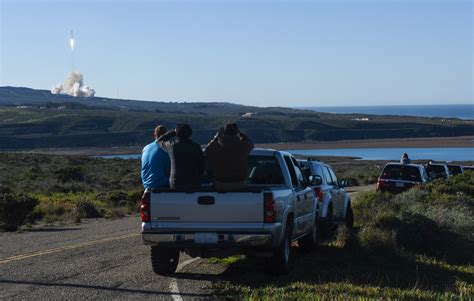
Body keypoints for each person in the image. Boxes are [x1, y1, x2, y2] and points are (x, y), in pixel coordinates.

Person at [205, 123, 254, 190]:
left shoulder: (216, 147)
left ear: (224, 133)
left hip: (220, 184)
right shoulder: (243, 146)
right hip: (240, 184)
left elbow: (207, 150)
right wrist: (241, 134)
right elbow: (251, 144)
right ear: (236, 132)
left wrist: (216, 137)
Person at [157, 123, 205, 189]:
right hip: (193, 183)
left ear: (177, 133)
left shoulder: (170, 145)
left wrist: (173, 132)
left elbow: (159, 140)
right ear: (190, 133)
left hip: (175, 183)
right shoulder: (196, 146)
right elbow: (202, 166)